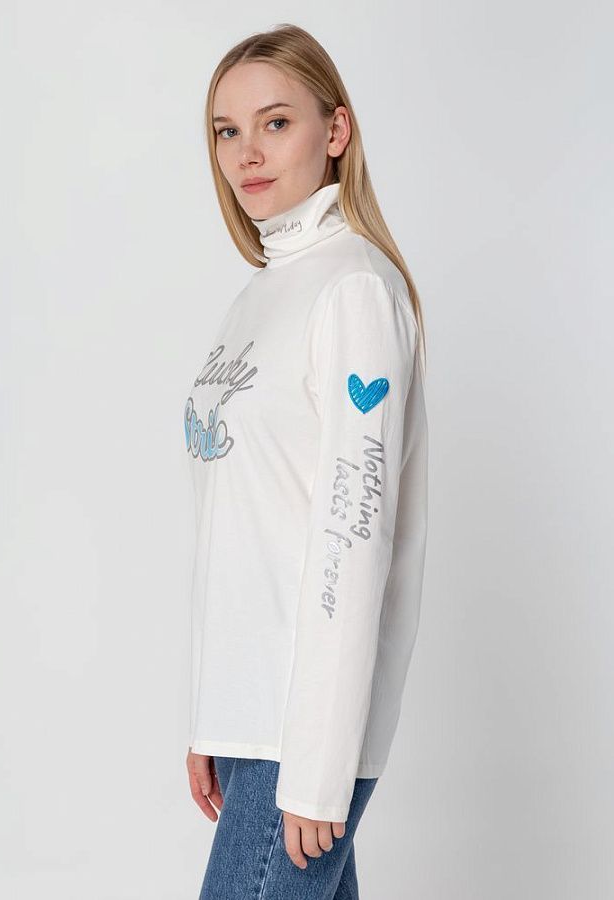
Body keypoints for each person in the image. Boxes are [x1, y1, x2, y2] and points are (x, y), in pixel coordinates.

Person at [182, 23, 428, 899]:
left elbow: (353, 540)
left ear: (335, 131)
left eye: (275, 123)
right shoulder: (259, 296)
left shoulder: (352, 287)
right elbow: (238, 526)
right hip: (252, 719)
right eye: (227, 130)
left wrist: (320, 765)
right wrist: (212, 714)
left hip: (302, 731)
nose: (246, 153)